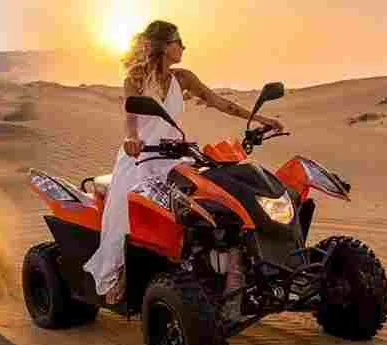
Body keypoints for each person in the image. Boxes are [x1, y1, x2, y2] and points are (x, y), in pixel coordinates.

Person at [83, 20, 286, 305]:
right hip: (140, 157)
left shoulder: (184, 78)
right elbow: (130, 116)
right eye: (179, 42)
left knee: (210, 197)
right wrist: (132, 138)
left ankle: (226, 266)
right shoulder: (135, 79)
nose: (184, 47)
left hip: (173, 156)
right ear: (166, 46)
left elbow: (218, 101)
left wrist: (261, 119)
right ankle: (117, 273)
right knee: (123, 210)